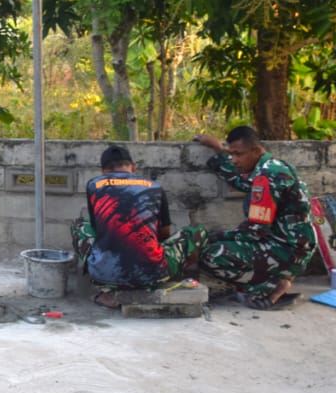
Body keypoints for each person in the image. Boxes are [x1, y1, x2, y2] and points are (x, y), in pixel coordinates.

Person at [193, 126, 316, 310]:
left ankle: (272, 285)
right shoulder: (268, 167)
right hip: (288, 244)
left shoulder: (267, 176)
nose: (234, 160)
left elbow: (255, 231)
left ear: (256, 150)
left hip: (288, 251)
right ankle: (275, 277)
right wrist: (218, 150)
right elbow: (239, 180)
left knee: (210, 255)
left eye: (238, 154)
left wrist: (215, 236)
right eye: (231, 154)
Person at [71, 145, 207, 308]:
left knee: (79, 225)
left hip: (103, 275)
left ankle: (108, 289)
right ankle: (172, 279)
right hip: (152, 274)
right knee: (196, 232)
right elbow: (164, 234)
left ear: (104, 170)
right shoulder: (154, 187)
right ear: (133, 167)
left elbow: (96, 228)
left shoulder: (94, 185)